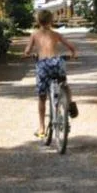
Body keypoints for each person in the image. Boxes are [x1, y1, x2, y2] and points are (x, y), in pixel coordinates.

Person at [24, 9, 78, 138]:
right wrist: (73, 54)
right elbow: (71, 47)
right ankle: (70, 103)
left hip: (43, 65)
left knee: (42, 97)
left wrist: (29, 54)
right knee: (63, 83)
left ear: (38, 21)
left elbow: (26, 51)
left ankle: (42, 128)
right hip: (56, 62)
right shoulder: (56, 34)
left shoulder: (34, 35)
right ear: (51, 20)